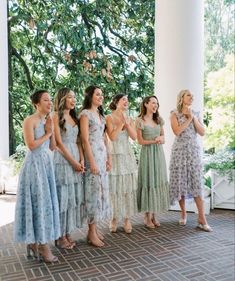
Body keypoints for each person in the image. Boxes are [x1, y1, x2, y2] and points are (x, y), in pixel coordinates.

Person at [14, 90, 60, 263]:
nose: (49, 103)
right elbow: (31, 145)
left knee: (45, 203)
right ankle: (41, 245)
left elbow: (53, 147)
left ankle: (36, 243)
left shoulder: (48, 120)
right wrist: (47, 133)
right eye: (45, 100)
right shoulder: (29, 120)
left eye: (50, 100)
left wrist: (52, 129)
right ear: (37, 103)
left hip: (46, 164)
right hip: (33, 166)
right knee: (38, 203)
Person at [169, 89, 212, 231]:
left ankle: (202, 218)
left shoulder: (196, 114)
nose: (192, 97)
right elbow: (177, 131)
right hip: (179, 152)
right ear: (181, 98)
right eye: (189, 95)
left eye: (192, 96)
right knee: (180, 182)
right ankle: (183, 212)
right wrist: (187, 119)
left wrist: (193, 118)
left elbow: (202, 132)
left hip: (193, 152)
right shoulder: (174, 113)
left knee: (196, 183)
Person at [53, 87, 85, 249]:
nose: (73, 100)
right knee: (62, 197)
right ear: (62, 99)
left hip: (76, 158)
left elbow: (79, 141)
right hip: (63, 159)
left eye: (74, 97)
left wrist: (81, 159)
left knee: (72, 197)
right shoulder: (55, 117)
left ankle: (66, 232)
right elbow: (58, 143)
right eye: (70, 97)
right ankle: (59, 236)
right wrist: (73, 162)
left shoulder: (75, 117)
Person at [79, 85, 112, 247]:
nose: (101, 97)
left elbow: (105, 138)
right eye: (98, 94)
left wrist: (109, 158)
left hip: (102, 155)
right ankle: (91, 232)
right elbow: (84, 140)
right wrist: (91, 162)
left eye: (102, 94)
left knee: (100, 193)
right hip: (92, 156)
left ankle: (95, 229)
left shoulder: (100, 115)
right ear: (90, 96)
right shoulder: (85, 114)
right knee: (92, 193)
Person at [106, 94, 138, 234]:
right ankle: (114, 217)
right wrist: (121, 124)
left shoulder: (130, 118)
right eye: (123, 99)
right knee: (114, 189)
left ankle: (126, 219)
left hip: (126, 154)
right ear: (116, 102)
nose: (126, 101)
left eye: (127, 99)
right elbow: (112, 137)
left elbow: (134, 137)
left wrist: (127, 123)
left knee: (126, 188)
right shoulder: (109, 117)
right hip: (114, 155)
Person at [136, 96, 169, 228]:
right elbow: (140, 141)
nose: (155, 105)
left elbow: (164, 138)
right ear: (146, 104)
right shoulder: (139, 121)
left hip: (158, 154)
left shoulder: (159, 120)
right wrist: (154, 141)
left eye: (157, 103)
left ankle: (154, 215)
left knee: (157, 181)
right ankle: (147, 216)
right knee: (149, 181)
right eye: (153, 103)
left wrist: (161, 138)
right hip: (147, 154)